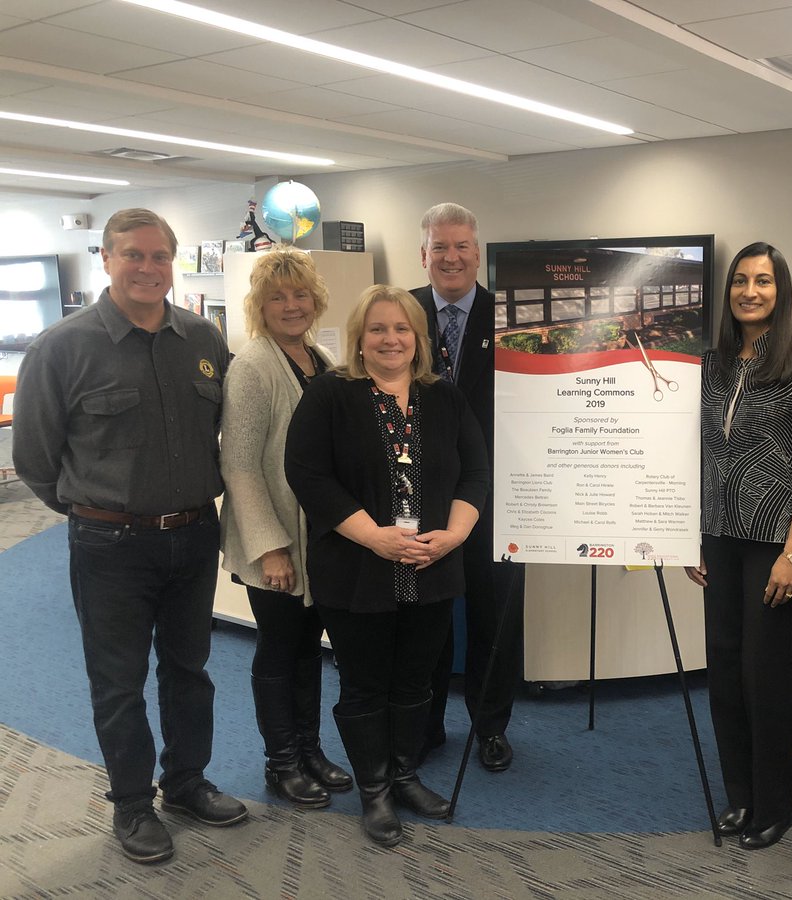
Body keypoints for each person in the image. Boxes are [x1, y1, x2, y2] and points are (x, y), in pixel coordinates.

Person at [12, 208, 247, 864]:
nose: (148, 268)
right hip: (110, 545)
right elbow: (34, 459)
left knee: (189, 669)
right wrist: (98, 515)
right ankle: (133, 805)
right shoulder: (62, 347)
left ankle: (187, 782)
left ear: (173, 263)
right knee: (117, 681)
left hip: (195, 534)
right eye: (133, 256)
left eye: (159, 256)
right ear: (107, 260)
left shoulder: (203, 338)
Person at [284, 285, 489, 846]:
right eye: (378, 329)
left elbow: (475, 471)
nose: (390, 339)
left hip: (432, 566)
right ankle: (375, 792)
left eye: (402, 329)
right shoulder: (330, 394)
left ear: (419, 338)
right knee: (365, 685)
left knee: (416, 681)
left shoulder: (443, 397)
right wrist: (374, 538)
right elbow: (307, 474)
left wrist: (455, 535)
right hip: (357, 570)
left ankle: (404, 775)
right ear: (359, 337)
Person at [685, 242, 792, 850]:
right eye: (741, 282)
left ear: (782, 292)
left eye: (764, 282)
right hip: (718, 537)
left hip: (774, 542)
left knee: (767, 674)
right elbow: (695, 453)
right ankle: (741, 795)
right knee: (723, 670)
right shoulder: (711, 364)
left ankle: (775, 802)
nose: (751, 292)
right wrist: (691, 535)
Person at [219, 248, 352, 809]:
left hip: (317, 540)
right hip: (273, 542)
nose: (291, 306)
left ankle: (310, 751)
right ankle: (282, 764)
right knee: (278, 650)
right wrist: (271, 548)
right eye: (278, 297)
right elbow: (240, 465)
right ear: (260, 306)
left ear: (315, 300)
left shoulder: (319, 358)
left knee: (306, 648)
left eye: (300, 295)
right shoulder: (253, 366)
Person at [413, 202, 525, 773]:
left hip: (499, 496)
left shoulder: (510, 316)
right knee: (424, 617)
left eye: (462, 246)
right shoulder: (399, 313)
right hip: (418, 496)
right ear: (423, 253)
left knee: (495, 616)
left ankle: (491, 727)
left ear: (477, 253)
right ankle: (425, 723)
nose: (451, 256)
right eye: (440, 246)